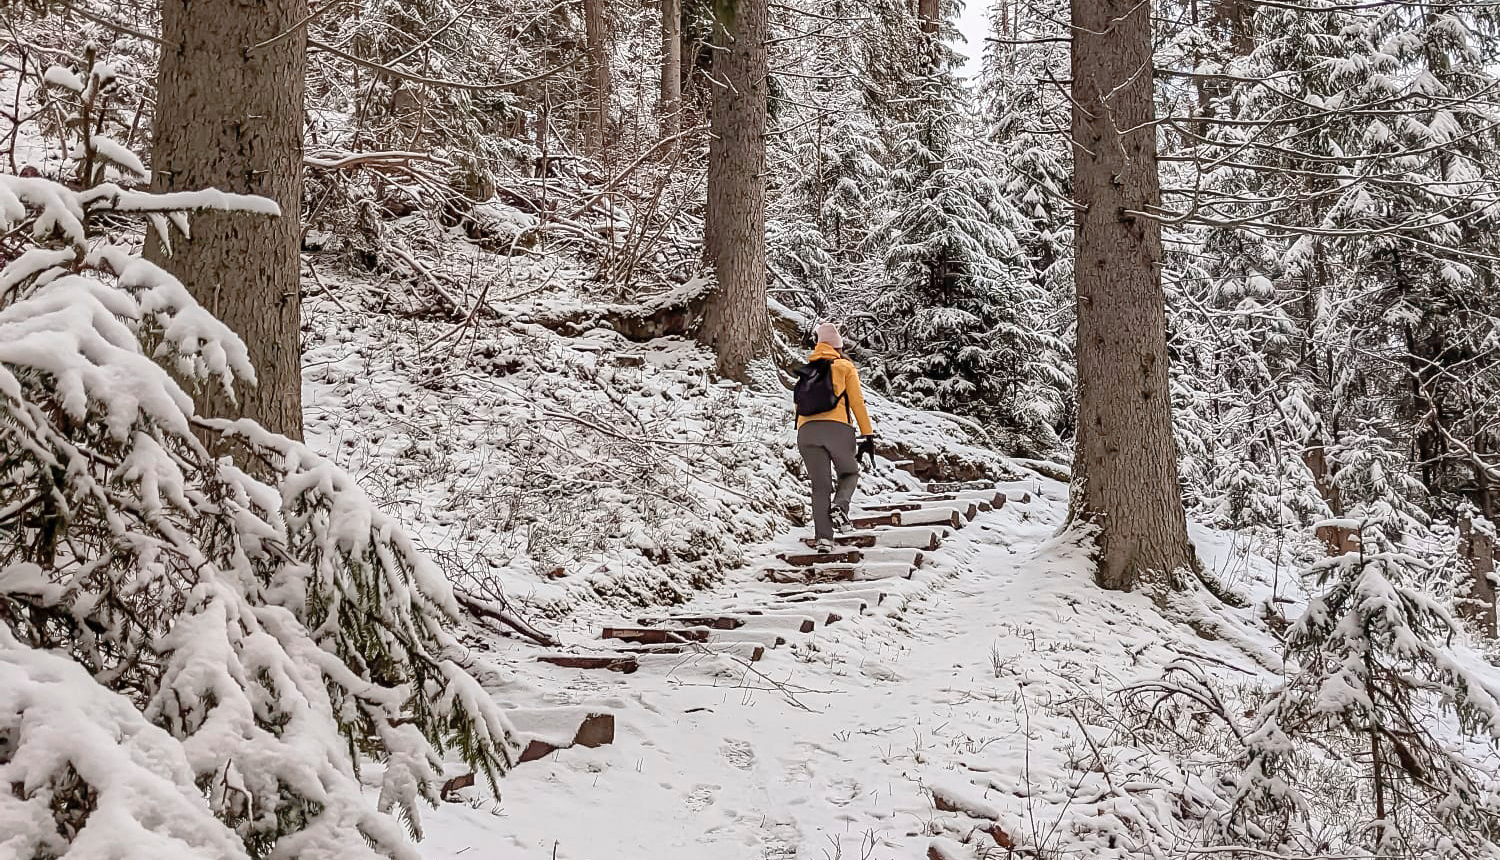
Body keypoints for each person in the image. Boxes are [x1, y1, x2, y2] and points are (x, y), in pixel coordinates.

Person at [794, 323, 875, 553]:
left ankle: (824, 540)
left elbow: (797, 406)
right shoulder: (844, 367)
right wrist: (867, 435)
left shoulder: (806, 371)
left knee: (820, 486)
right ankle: (840, 507)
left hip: (806, 432)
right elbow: (857, 402)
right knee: (849, 473)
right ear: (838, 347)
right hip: (838, 428)